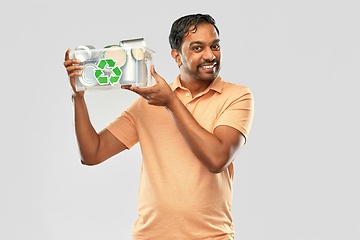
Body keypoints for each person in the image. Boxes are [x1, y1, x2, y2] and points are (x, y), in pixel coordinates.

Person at [64, 13, 254, 240]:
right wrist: (78, 96)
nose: (210, 55)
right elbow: (91, 153)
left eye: (215, 46)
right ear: (177, 56)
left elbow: (217, 159)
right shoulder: (149, 103)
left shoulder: (236, 96)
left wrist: (171, 103)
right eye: (197, 48)